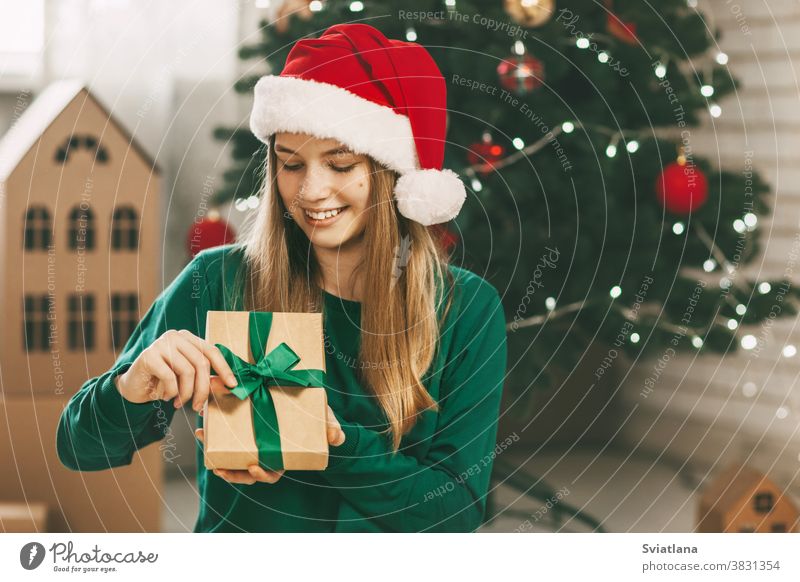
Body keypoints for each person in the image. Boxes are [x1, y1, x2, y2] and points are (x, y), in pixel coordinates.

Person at [56, 22, 507, 532]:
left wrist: (330, 441)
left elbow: (456, 512)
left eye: (340, 165)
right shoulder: (218, 278)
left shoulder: (464, 307)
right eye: (291, 164)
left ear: (394, 173)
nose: (311, 192)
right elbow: (79, 448)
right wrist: (130, 387)